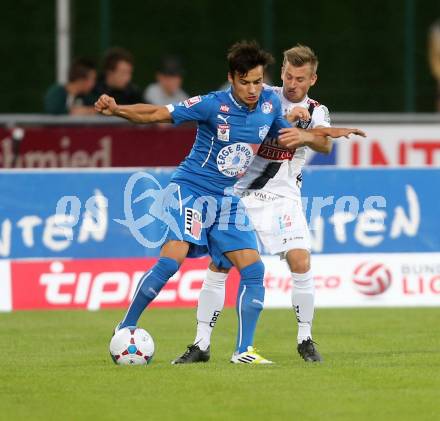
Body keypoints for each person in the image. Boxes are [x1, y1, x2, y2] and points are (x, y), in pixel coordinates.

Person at [95, 40, 362, 364]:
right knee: (172, 261)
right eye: (247, 82)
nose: (253, 89)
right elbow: (156, 112)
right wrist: (118, 110)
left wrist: (314, 132)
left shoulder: (270, 106)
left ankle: (244, 351)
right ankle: (130, 326)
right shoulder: (212, 104)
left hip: (229, 197)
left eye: (256, 82)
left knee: (254, 269)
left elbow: (300, 132)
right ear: (233, 79)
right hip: (193, 189)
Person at [172, 44, 366, 365]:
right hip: (241, 194)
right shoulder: (264, 96)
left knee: (300, 261)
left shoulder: (317, 110)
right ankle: (201, 344)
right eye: (288, 75)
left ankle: (305, 338)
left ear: (312, 79)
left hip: (283, 197)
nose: (292, 84)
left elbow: (325, 145)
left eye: (300, 79)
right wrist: (285, 120)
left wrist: (303, 135)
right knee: (220, 264)